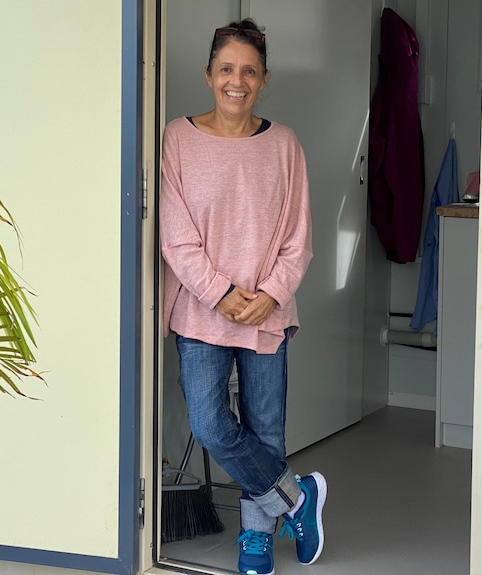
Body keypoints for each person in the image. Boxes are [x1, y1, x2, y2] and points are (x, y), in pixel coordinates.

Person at [159, 18, 326, 575]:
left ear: (264, 79)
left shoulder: (283, 145)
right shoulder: (175, 138)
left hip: (265, 312)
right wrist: (221, 293)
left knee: (266, 428)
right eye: (226, 69)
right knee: (208, 423)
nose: (237, 80)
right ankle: (297, 498)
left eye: (249, 71)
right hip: (201, 310)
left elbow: (299, 237)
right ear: (208, 75)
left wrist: (271, 294)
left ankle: (256, 537)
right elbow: (174, 235)